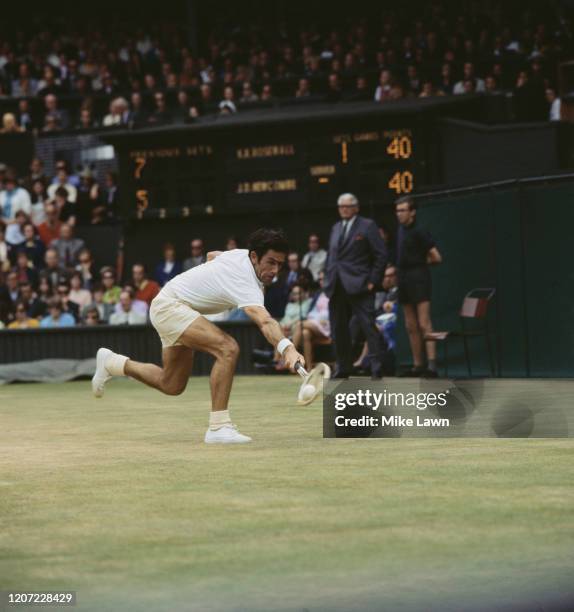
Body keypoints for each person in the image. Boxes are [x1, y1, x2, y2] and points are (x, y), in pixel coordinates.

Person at [91, 228, 305, 445]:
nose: (275, 270)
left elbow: (212, 255)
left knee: (171, 384)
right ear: (254, 257)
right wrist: (288, 348)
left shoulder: (239, 255)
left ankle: (113, 363)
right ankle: (218, 426)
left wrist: (208, 279)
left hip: (172, 305)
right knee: (228, 348)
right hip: (171, 307)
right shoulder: (245, 281)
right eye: (270, 262)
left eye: (279, 264)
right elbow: (265, 321)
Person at [323, 193, 387, 379]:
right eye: (341, 206)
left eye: (348, 206)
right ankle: (343, 367)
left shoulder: (367, 226)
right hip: (336, 285)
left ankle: (376, 367)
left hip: (360, 285)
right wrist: (327, 278)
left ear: (356, 208)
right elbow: (332, 257)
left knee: (368, 326)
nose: (344, 209)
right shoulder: (335, 228)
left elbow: (381, 255)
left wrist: (373, 281)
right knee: (338, 328)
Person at [395, 196, 442, 377]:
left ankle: (432, 365)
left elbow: (437, 257)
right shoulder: (400, 231)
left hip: (419, 278)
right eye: (397, 211)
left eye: (403, 210)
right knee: (410, 325)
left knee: (424, 323)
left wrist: (420, 263)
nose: (400, 214)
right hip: (403, 279)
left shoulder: (420, 231)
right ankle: (418, 365)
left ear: (412, 212)